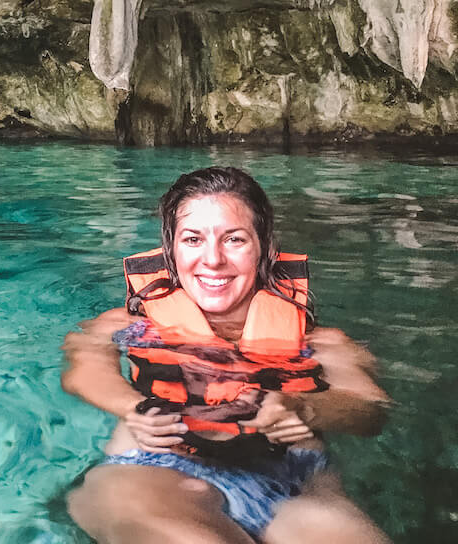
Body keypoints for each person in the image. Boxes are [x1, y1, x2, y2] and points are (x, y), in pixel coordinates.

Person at [62, 166, 391, 544]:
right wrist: (131, 408)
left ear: (265, 247)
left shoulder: (319, 341)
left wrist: (304, 407)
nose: (213, 260)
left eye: (234, 239)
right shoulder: (132, 324)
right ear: (170, 248)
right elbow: (82, 369)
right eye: (192, 240)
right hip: (157, 467)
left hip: (292, 482)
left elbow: (370, 409)